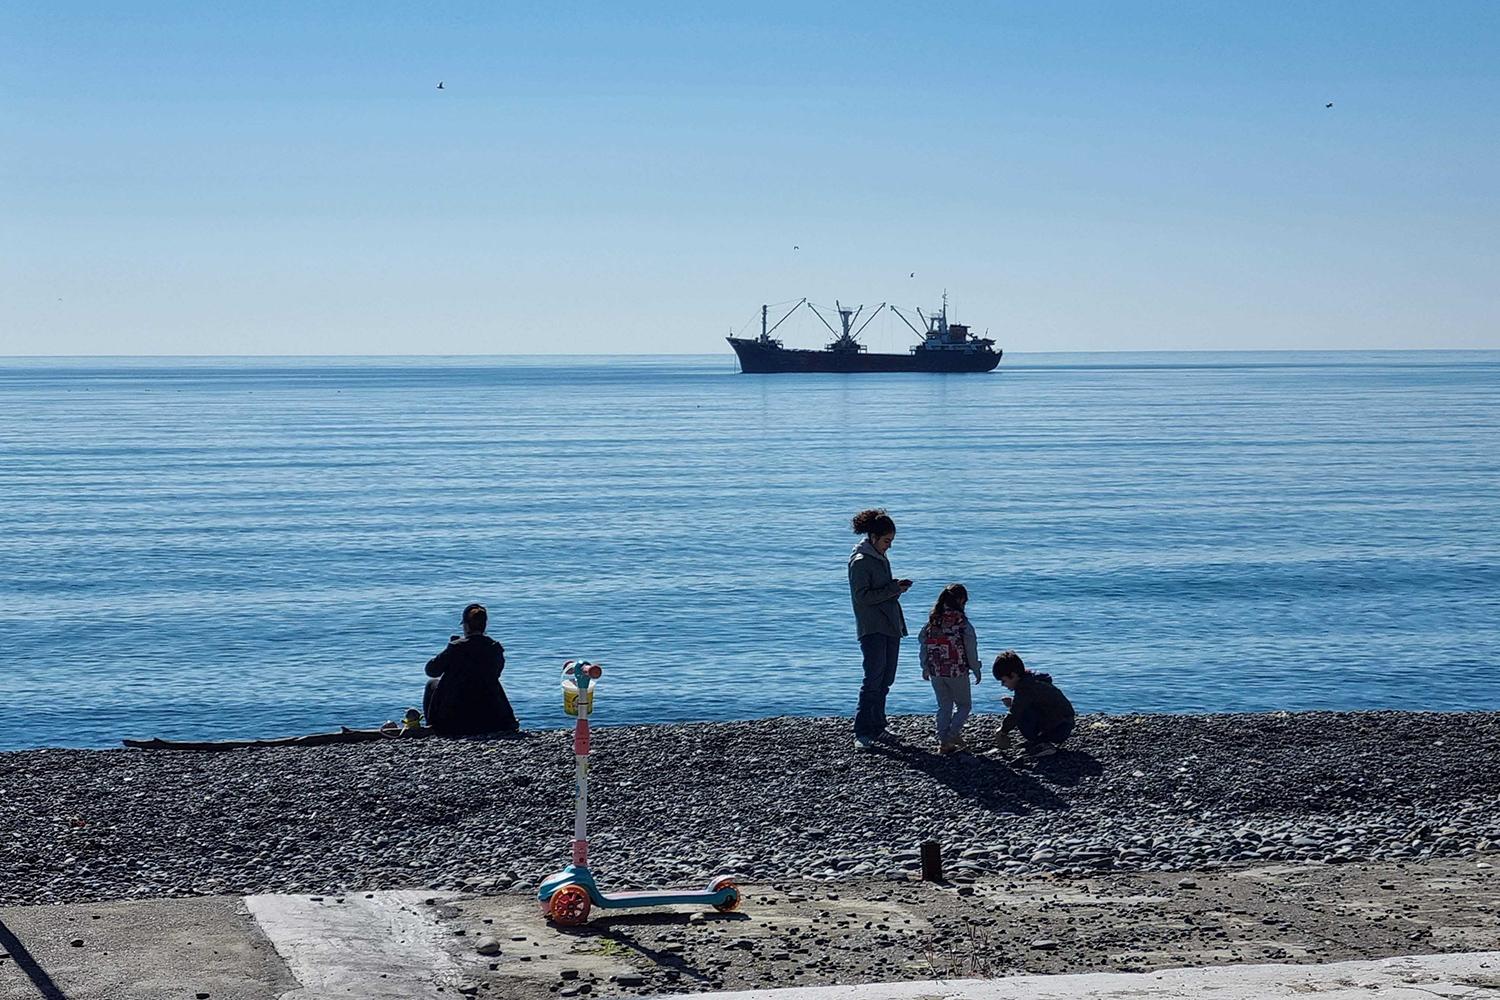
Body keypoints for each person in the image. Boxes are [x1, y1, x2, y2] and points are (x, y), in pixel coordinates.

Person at [847, 508, 912, 749]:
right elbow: (862, 597)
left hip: (889, 624)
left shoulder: (878, 556)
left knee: (886, 678)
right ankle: (863, 730)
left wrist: (895, 587)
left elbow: (879, 590)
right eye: (887, 541)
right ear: (873, 538)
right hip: (873, 627)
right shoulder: (861, 561)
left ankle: (878, 725)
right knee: (873, 678)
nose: (889, 546)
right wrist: (894, 589)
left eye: (891, 541)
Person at [423, 603, 519, 736]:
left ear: (466, 626)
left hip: (454, 718)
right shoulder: (494, 648)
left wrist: (449, 648)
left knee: (432, 683)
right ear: (484, 626)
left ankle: (433, 725)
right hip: (489, 716)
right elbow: (496, 673)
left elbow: (431, 670)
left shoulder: (456, 648)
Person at [918, 583, 981, 754]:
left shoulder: (933, 621)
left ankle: (944, 743)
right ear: (961, 600)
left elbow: (923, 643)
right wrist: (976, 668)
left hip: (935, 670)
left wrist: (925, 666)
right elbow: (970, 647)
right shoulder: (961, 622)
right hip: (957, 670)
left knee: (944, 705)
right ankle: (952, 735)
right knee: (964, 705)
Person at [992, 650, 1074, 757]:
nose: (1003, 685)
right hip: (1064, 723)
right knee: (1021, 709)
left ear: (1013, 675)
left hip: (1059, 728)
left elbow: (1015, 713)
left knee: (1020, 714)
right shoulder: (1031, 680)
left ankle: (1044, 743)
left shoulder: (1025, 688)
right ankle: (1041, 740)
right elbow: (1036, 702)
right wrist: (1014, 702)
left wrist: (1003, 731)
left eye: (1004, 681)